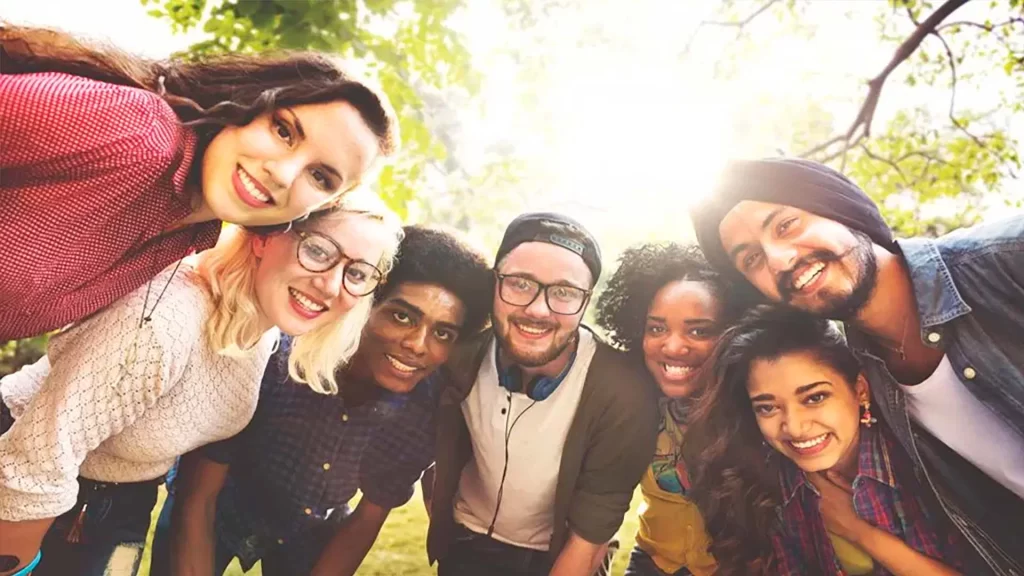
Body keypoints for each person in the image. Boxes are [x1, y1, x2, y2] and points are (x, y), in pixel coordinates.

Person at [0, 190, 402, 576]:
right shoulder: (165, 322)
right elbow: (35, 461)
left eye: (357, 273)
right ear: (265, 236)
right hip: (26, 481)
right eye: (317, 251)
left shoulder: (262, 334)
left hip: (121, 500)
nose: (331, 285)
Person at [690, 157, 1024, 574]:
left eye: (786, 225)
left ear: (840, 209)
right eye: (752, 259)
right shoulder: (867, 377)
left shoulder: (1007, 260)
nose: (778, 260)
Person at [0, 23, 399, 341]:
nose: (282, 174)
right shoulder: (140, 133)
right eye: (283, 131)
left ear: (325, 203)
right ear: (250, 102)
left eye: (320, 177)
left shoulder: (191, 237)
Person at [157, 225, 492, 576]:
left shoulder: (424, 408)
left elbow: (368, 517)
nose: (418, 345)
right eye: (402, 316)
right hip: (217, 508)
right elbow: (199, 497)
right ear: (365, 303)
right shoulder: (276, 358)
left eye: (442, 333)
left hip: (310, 530)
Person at [427, 213, 660, 576]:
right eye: (520, 283)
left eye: (564, 292)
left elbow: (591, 534)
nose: (538, 309)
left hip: (562, 554)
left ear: (586, 301)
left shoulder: (624, 393)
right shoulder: (459, 354)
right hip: (466, 542)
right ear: (494, 284)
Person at [688, 306, 968, 576]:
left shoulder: (923, 466)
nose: (794, 427)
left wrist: (858, 531)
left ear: (860, 390)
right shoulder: (770, 480)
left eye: (815, 398)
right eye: (768, 407)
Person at [595, 243, 738, 576]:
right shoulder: (632, 401)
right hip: (654, 562)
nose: (673, 346)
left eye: (698, 331)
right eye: (657, 329)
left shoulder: (757, 408)